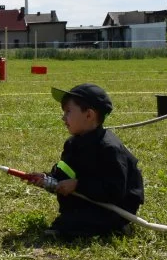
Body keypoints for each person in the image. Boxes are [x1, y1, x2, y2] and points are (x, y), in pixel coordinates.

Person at [27, 84, 144, 239]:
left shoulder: (109, 148)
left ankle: (117, 227)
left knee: (74, 224)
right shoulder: (72, 144)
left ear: (89, 115)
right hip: (87, 203)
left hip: (114, 208)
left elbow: (114, 191)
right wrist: (48, 179)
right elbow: (63, 174)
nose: (63, 117)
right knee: (71, 220)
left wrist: (78, 185)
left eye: (68, 112)